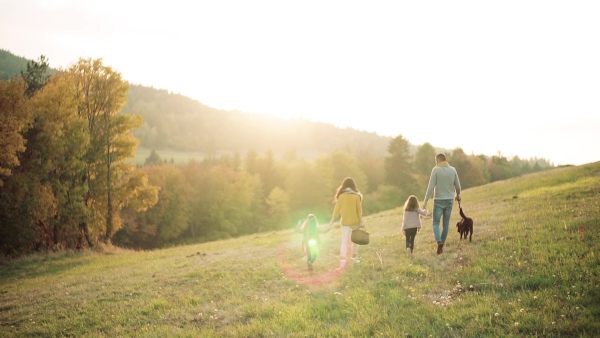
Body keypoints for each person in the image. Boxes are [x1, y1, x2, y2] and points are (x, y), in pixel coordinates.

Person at [423, 153, 461, 255]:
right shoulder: (453, 170)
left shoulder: (435, 170)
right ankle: (442, 245)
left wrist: (425, 200)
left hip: (438, 200)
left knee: (435, 223)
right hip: (449, 200)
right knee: (446, 224)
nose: (436, 163)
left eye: (436, 161)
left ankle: (439, 241)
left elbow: (430, 187)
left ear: (438, 160)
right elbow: (458, 186)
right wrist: (458, 195)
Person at [328, 177, 364, 269]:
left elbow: (336, 210)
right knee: (355, 242)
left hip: (345, 222)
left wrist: (331, 222)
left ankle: (342, 261)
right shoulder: (356, 196)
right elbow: (359, 210)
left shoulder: (341, 196)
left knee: (344, 242)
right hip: (355, 221)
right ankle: (354, 258)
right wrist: (361, 222)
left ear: (343, 186)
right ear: (353, 186)